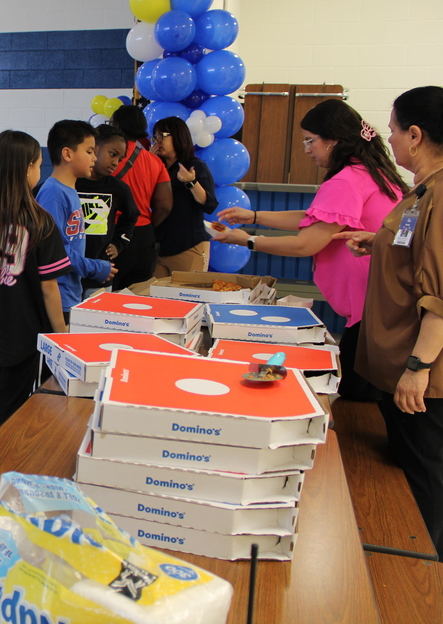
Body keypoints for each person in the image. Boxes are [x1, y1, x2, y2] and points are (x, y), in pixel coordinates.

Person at [214, 99, 406, 401]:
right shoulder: (369, 171)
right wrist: (254, 217)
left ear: (333, 141)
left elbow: (307, 242)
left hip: (371, 304)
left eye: (310, 141)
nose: (306, 149)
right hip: (382, 299)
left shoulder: (348, 180)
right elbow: (318, 217)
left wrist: (247, 240)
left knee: (359, 397)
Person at [334, 86, 443, 558]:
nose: (391, 140)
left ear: (415, 135)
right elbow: (409, 246)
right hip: (397, 365)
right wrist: (373, 242)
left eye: (395, 130)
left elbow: (438, 297)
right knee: (407, 465)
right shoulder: (422, 190)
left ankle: (424, 567)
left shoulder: (441, 194)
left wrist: (419, 368)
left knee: (427, 477)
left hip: (419, 376)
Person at [0, 130, 70, 459]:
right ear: (27, 169)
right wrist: (62, 338)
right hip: (23, 335)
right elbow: (49, 288)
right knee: (8, 408)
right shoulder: (40, 222)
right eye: (38, 164)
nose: (41, 172)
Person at [35, 120, 114, 318]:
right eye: (89, 152)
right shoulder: (53, 194)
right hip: (56, 298)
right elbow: (56, 252)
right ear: (68, 154)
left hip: (69, 293)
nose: (95, 158)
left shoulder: (68, 191)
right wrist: (96, 268)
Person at [108, 105, 172, 290]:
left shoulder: (105, 158)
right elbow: (165, 206)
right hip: (142, 237)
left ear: (117, 125)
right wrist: (146, 225)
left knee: (104, 298)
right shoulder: (155, 162)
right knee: (137, 296)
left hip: (110, 235)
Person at [150, 116, 218, 277]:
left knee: (186, 297)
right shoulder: (157, 167)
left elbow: (209, 205)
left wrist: (191, 182)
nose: (157, 142)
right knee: (154, 297)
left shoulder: (195, 166)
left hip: (188, 246)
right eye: (155, 137)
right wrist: (148, 162)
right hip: (160, 246)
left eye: (161, 136)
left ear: (178, 136)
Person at [75, 125, 139, 293]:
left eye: (120, 158)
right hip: (69, 272)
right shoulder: (69, 182)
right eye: (113, 154)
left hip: (100, 273)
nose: (116, 163)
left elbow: (131, 216)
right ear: (94, 148)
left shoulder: (119, 189)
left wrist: (119, 243)